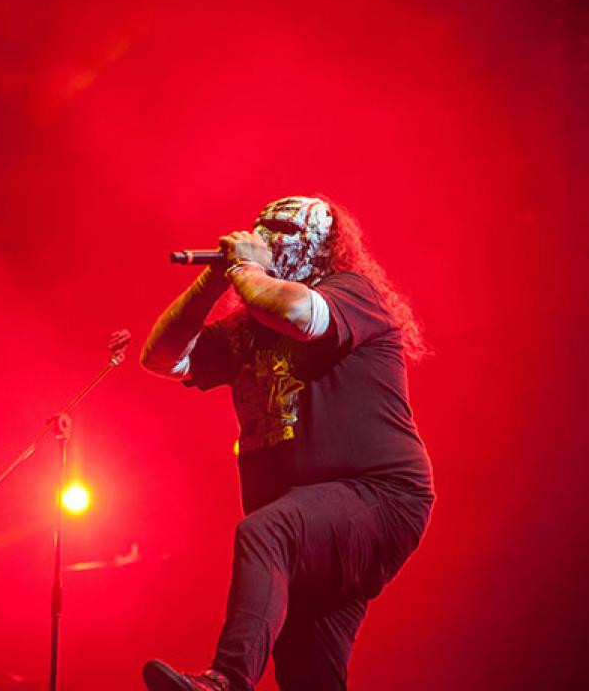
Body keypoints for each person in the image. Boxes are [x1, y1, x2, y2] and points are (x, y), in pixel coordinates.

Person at [139, 196, 434, 691]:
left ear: (319, 245)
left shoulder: (350, 291)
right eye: (259, 228)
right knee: (308, 673)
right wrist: (213, 280)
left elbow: (301, 315)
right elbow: (161, 359)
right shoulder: (248, 330)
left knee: (265, 532)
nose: (265, 237)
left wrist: (248, 271)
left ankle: (227, 681)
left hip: (378, 497)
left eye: (279, 228)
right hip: (313, 529)